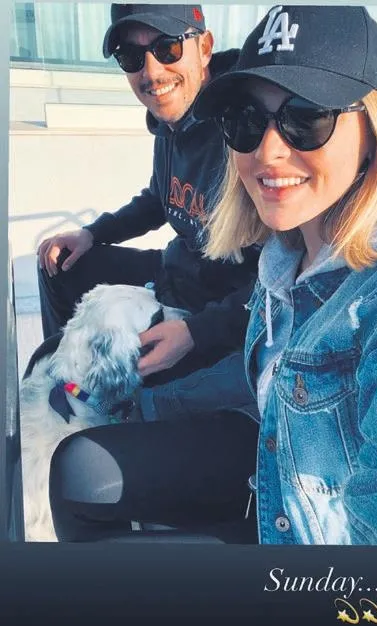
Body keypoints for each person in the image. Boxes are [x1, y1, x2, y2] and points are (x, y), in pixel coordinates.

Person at [38, 4, 261, 544]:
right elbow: (161, 199)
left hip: (217, 317)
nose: (152, 71)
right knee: (61, 263)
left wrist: (196, 331)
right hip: (174, 275)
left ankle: (118, 418)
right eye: (131, 56)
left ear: (204, 47)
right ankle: (80, 378)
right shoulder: (172, 121)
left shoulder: (244, 131)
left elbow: (277, 284)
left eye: (167, 48)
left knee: (89, 463)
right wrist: (93, 233)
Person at [193, 5, 377, 545]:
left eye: (308, 116)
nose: (268, 151)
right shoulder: (287, 254)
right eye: (245, 120)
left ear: (376, 131)